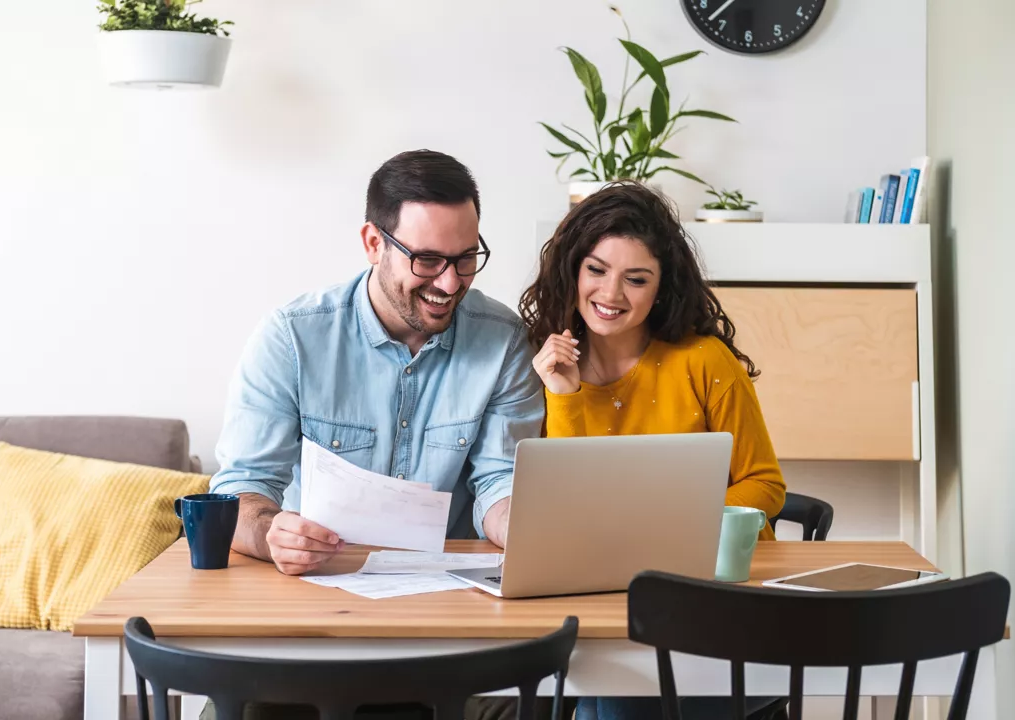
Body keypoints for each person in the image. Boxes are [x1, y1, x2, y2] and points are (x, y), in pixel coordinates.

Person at [204, 149, 550, 720]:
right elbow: (239, 489)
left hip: (446, 628)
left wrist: (527, 528)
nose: (449, 282)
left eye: (467, 259)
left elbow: (498, 479)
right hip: (308, 621)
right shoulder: (292, 337)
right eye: (429, 260)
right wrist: (270, 535)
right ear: (373, 242)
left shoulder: (504, 340)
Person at [519, 180, 786, 720]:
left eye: (635, 279)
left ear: (661, 287)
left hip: (704, 601)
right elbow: (566, 507)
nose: (611, 294)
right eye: (596, 270)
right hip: (590, 597)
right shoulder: (540, 363)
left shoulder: (704, 361)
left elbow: (765, 484)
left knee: (612, 690)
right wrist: (565, 397)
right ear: (572, 269)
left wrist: (674, 528)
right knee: (601, 684)